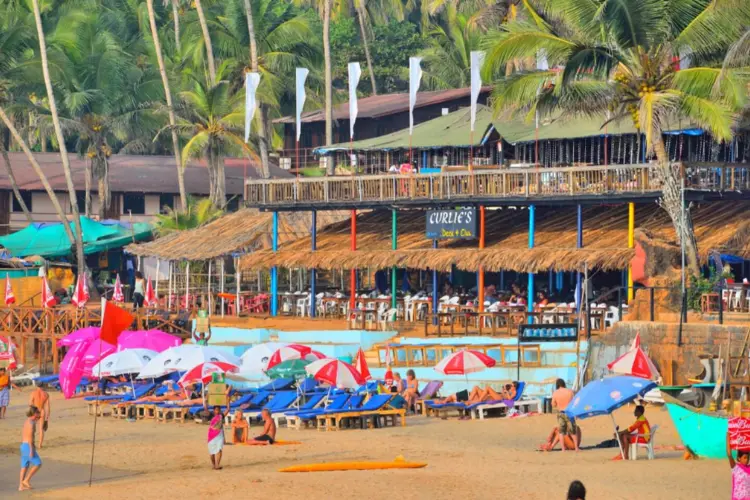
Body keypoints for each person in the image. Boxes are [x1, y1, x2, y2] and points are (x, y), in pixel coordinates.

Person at [551, 378, 578, 452]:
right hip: (569, 413)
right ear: (564, 384)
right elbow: (574, 403)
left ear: (557, 385)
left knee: (561, 432)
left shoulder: (555, 393)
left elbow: (553, 404)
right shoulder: (570, 391)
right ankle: (576, 448)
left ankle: (563, 449)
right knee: (573, 431)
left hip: (561, 413)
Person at [19, 406, 42, 491]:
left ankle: (21, 486)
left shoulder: (27, 421)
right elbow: (30, 438)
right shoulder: (31, 424)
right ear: (34, 413)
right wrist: (32, 450)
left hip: (23, 446)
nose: (39, 414)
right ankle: (26, 480)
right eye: (37, 412)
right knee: (38, 463)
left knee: (24, 466)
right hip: (28, 446)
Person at [728, 433, 750, 499]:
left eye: (748, 458)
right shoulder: (735, 467)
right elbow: (729, 454)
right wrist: (728, 436)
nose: (747, 460)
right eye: (745, 457)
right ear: (739, 458)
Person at [208, 405, 230, 470]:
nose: (217, 411)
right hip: (211, 436)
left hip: (219, 435)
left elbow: (228, 409)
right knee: (212, 452)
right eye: (216, 410)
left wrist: (228, 401)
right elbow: (205, 408)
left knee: (219, 449)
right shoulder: (211, 416)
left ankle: (217, 464)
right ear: (214, 410)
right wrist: (205, 401)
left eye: (218, 410)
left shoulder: (221, 416)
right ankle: (214, 465)